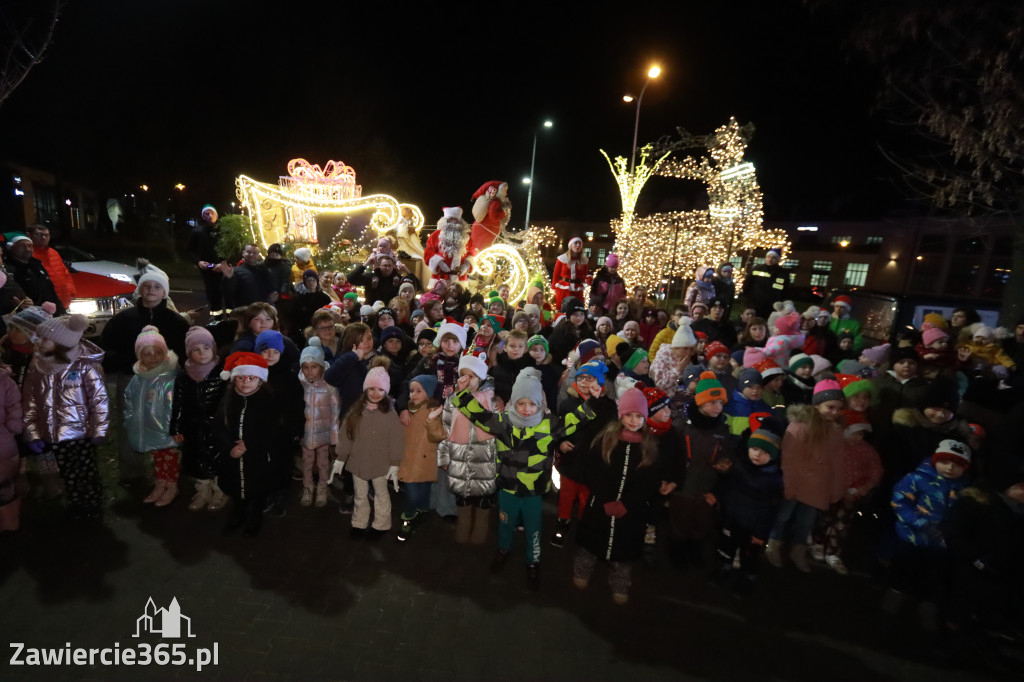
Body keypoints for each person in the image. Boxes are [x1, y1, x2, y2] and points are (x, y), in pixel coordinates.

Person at [452, 367, 599, 590]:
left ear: (540, 403)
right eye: (521, 403)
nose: (527, 409)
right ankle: (503, 549)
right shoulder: (502, 422)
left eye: (532, 404)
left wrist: (593, 402)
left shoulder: (549, 424)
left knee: (534, 528)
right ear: (513, 402)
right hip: (507, 487)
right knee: (504, 522)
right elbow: (478, 415)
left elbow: (574, 420)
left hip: (533, 490)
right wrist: (461, 393)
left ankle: (533, 560)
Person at [573, 388, 674, 604]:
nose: (633, 421)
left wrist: (628, 503)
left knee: (625, 547)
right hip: (600, 504)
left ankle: (620, 577)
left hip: (631, 511)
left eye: (639, 416)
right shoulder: (606, 439)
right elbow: (593, 471)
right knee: (591, 540)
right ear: (621, 415)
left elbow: (649, 482)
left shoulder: (649, 447)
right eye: (629, 415)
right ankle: (583, 567)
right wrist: (606, 499)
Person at [22, 314, 109, 520]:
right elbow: (30, 401)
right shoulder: (38, 366)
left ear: (61, 343)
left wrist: (99, 430)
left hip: (81, 434)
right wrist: (32, 432)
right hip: (52, 433)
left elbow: (99, 400)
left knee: (84, 471)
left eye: (45, 338)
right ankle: (77, 503)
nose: (39, 342)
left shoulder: (84, 367)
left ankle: (92, 502)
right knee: (68, 472)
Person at [884, 440, 972, 625]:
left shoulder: (966, 490)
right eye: (945, 462)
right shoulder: (917, 478)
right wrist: (921, 523)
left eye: (957, 465)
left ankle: (927, 605)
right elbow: (900, 501)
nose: (949, 467)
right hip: (912, 537)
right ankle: (895, 595)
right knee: (904, 570)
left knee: (935, 577)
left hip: (942, 543)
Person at [765, 379, 846, 572]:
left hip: (818, 485)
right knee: (783, 516)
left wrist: (836, 487)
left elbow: (837, 461)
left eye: (838, 408)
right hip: (797, 481)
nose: (834, 412)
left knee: (806, 521)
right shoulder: (800, 426)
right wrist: (789, 484)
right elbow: (790, 458)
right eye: (830, 407)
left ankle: (798, 551)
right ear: (817, 404)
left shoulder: (835, 430)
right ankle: (773, 544)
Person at [667, 371, 736, 568]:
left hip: (707, 490)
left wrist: (725, 466)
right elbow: (671, 457)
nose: (718, 407)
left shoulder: (723, 431)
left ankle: (694, 551)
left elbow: (728, 457)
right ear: (700, 402)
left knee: (701, 524)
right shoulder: (681, 427)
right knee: (679, 523)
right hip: (683, 489)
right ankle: (676, 554)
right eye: (713, 402)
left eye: (721, 403)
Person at [711, 424, 784, 596]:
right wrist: (724, 474)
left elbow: (771, 510)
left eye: (765, 452)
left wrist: (761, 533)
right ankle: (724, 567)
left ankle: (748, 577)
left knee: (749, 555)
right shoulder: (739, 466)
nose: (758, 455)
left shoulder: (774, 479)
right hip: (732, 519)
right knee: (726, 547)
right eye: (755, 449)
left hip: (753, 527)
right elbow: (728, 487)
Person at [214, 352, 282, 537]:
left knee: (257, 487)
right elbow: (219, 427)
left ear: (260, 380)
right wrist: (229, 447)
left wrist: (249, 444)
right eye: (241, 377)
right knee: (236, 486)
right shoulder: (228, 401)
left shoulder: (267, 400)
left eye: (251, 378)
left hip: (258, 456)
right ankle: (238, 512)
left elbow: (272, 430)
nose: (245, 382)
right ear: (234, 379)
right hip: (233, 457)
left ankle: (255, 515)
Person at [335, 366, 404, 538]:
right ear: (365, 389)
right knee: (360, 494)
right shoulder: (355, 412)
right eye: (371, 388)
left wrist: (395, 463)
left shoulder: (390, 414)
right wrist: (341, 457)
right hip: (358, 461)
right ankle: (359, 523)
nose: (375, 393)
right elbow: (346, 435)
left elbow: (397, 440)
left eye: (380, 389)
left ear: (386, 391)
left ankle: (381, 525)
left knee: (381, 494)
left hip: (381, 463)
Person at [810, 412, 882, 575]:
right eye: (855, 432)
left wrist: (864, 488)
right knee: (824, 518)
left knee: (842, 524)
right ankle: (818, 543)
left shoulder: (867, 451)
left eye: (861, 433)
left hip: (852, 494)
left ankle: (833, 553)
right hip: (830, 492)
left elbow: (876, 471)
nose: (858, 437)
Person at [169, 326, 229, 512]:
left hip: (217, 428)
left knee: (218, 459)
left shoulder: (222, 374)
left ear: (213, 349)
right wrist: (177, 428)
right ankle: (202, 491)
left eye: (206, 348)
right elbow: (178, 404)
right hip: (193, 428)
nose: (202, 353)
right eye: (196, 349)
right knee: (198, 461)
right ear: (189, 353)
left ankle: (221, 491)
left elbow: (228, 404)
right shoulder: (183, 377)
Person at [123, 326, 181, 507]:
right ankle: (160, 483)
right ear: (140, 355)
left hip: (167, 431)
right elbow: (129, 400)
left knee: (170, 458)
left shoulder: (170, 378)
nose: (153, 357)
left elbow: (176, 406)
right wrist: (130, 420)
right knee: (157, 458)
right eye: (147, 353)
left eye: (158, 352)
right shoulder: (138, 378)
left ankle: (171, 486)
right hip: (147, 428)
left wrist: (176, 429)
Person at [397, 374, 440, 542]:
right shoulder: (406, 410)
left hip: (425, 459)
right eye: (411, 391)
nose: (413, 394)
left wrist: (431, 421)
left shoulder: (433, 412)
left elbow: (438, 435)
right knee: (411, 494)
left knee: (423, 491)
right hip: (408, 459)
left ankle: (422, 513)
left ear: (429, 393)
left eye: (418, 391)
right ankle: (407, 519)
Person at [296, 339, 338, 508]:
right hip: (306, 433)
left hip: (324, 434)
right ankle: (307, 487)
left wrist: (334, 436)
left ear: (321, 366)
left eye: (313, 366)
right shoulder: (299, 385)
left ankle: (322, 487)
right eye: (305, 367)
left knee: (323, 462)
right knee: (306, 462)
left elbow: (335, 411)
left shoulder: (329, 386)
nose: (309, 371)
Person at [4, 234, 65, 316]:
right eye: (22, 246)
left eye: (30, 246)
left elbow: (50, 291)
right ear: (12, 248)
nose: (27, 249)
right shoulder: (8, 270)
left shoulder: (37, 265)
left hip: (49, 314)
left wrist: (61, 311)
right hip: (27, 316)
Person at [26, 224, 75, 309]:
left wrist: (70, 290)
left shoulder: (53, 252)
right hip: (43, 303)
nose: (44, 237)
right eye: (39, 235)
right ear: (29, 235)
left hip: (62, 300)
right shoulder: (28, 254)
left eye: (46, 235)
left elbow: (65, 273)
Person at [187, 205, 224, 313]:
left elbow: (232, 250)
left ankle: (232, 321)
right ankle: (216, 318)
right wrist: (198, 261)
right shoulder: (197, 232)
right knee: (213, 295)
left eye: (212, 213)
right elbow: (190, 250)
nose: (209, 216)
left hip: (223, 268)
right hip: (208, 268)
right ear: (203, 216)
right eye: (206, 214)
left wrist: (224, 264)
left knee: (228, 295)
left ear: (216, 215)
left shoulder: (224, 232)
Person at [0, 362, 22, 533]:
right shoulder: (5, 381)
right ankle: (10, 524)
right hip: (4, 445)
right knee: (6, 491)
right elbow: (14, 408)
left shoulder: (4, 381)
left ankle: (10, 523)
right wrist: (12, 430)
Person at [218, 243, 275, 309]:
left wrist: (273, 293)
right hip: (246, 312)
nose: (251, 255)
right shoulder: (235, 271)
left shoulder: (262, 270)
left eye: (255, 253)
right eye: (248, 252)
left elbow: (269, 288)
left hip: (263, 310)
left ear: (258, 256)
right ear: (243, 253)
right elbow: (227, 293)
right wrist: (228, 278)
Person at [742, 248, 790, 318]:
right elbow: (747, 284)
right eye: (768, 257)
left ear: (778, 259)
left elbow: (785, 291)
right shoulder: (757, 269)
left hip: (772, 306)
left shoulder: (783, 273)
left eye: (773, 258)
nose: (770, 259)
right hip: (755, 304)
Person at [551, 237, 591, 309]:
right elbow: (555, 275)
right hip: (563, 289)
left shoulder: (584, 261)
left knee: (577, 309)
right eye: (575, 243)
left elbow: (584, 275)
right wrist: (553, 289)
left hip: (577, 290)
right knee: (562, 309)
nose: (578, 245)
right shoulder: (562, 259)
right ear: (570, 245)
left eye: (580, 244)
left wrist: (588, 279)